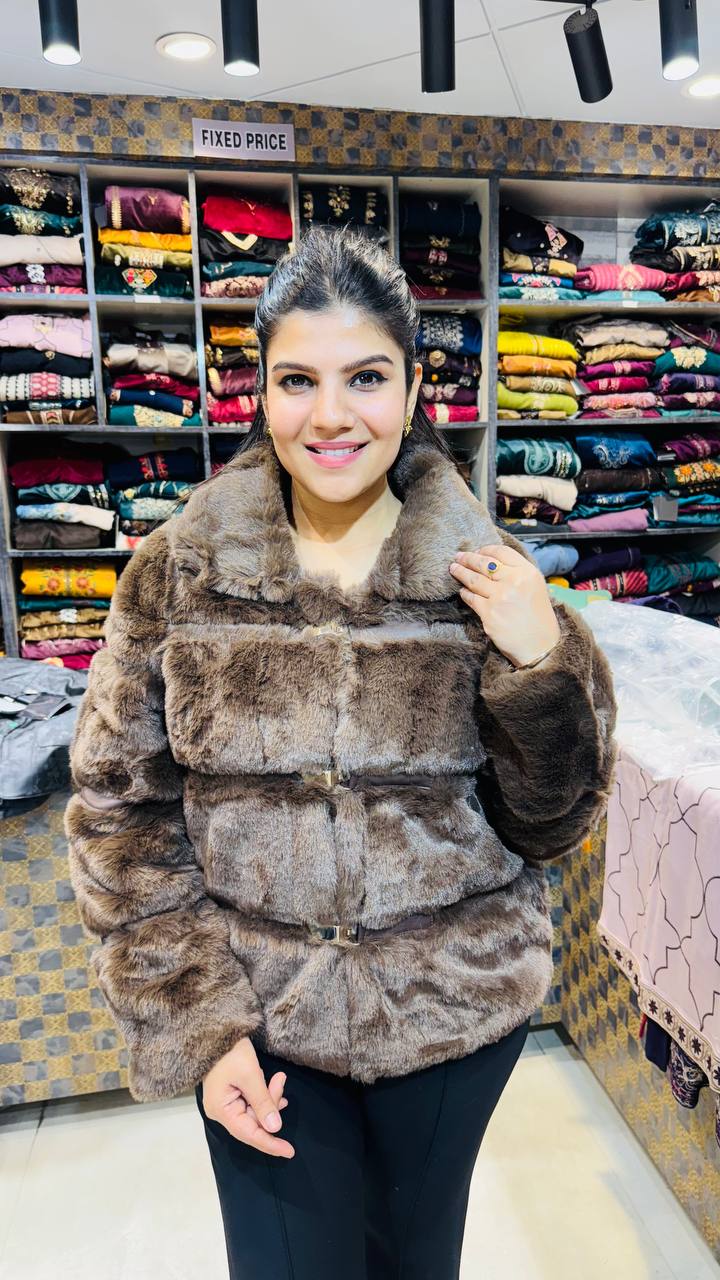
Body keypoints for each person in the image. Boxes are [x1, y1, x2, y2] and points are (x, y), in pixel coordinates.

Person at [65, 226, 617, 1280]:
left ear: (412, 388)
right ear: (260, 393)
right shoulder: (179, 571)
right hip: (259, 1018)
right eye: (297, 380)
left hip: (451, 1009)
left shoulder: (486, 574)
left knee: (417, 1262)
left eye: (364, 377)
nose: (329, 415)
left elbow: (549, 825)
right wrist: (199, 1019)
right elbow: (119, 812)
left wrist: (540, 661)